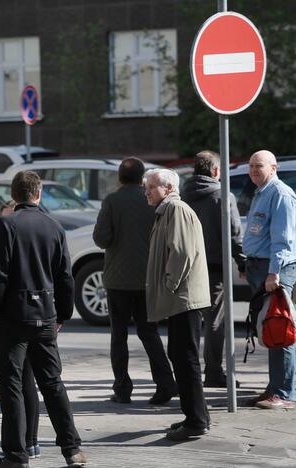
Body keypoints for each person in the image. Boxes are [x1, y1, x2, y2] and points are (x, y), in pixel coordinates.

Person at [0, 171, 87, 468]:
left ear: (14, 196)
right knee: (52, 383)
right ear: (38, 194)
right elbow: (65, 276)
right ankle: (72, 449)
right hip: (45, 314)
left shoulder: (7, 224)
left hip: (12, 317)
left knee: (11, 386)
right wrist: (64, 313)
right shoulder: (54, 227)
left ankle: (16, 455)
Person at [92, 157, 177, 405]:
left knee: (118, 336)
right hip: (148, 278)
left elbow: (101, 238)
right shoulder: (152, 200)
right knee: (149, 333)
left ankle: (122, 389)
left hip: (118, 280)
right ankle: (165, 383)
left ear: (119, 177)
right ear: (142, 179)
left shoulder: (112, 201)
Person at [144, 168, 211, 441]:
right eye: (146, 187)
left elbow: (181, 252)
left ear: (169, 187)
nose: (146, 191)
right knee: (181, 357)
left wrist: (169, 285)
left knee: (186, 359)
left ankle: (196, 421)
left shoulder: (176, 210)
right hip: (179, 298)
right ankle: (195, 416)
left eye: (151, 187)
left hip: (183, 298)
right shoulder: (166, 210)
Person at [181, 150, 246, 388]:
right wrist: (242, 261)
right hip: (214, 268)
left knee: (188, 323)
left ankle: (189, 373)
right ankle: (214, 372)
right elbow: (234, 234)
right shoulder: (222, 196)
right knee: (215, 323)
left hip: (186, 268)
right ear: (216, 171)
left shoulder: (182, 195)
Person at [242, 150, 296, 409]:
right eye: (251, 165)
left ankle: (285, 393)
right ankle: (275, 386)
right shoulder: (261, 192)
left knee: (280, 328)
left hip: (274, 270)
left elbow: (282, 240)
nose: (253, 170)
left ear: (273, 168)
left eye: (259, 166)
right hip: (259, 268)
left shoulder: (280, 194)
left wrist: (274, 273)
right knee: (268, 328)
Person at [0, 200, 41, 461]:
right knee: (24, 382)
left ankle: (23, 443)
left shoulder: (16, 233)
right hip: (37, 314)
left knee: (19, 382)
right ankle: (27, 442)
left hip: (17, 317)